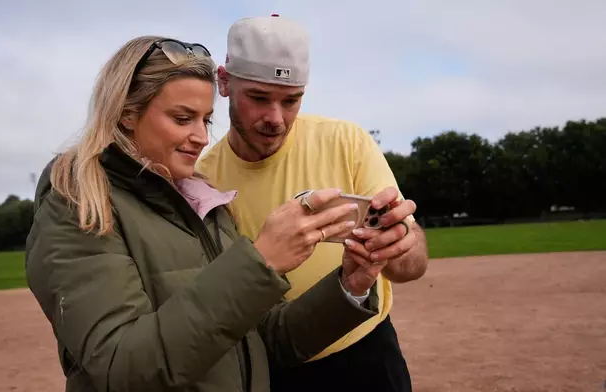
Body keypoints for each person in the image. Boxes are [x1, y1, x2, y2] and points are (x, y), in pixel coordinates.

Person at [24, 35, 390, 392]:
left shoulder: (204, 201)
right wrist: (260, 262)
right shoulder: (78, 203)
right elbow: (123, 367)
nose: (201, 136)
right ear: (126, 115)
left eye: (206, 120)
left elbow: (265, 339)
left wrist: (350, 284)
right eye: (183, 118)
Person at [196, 15, 430, 392]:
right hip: (269, 368)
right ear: (223, 82)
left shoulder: (346, 141)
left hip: (365, 356)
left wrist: (401, 243)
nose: (275, 118)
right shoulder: (201, 177)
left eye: (291, 101)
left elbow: (410, 267)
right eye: (258, 98)